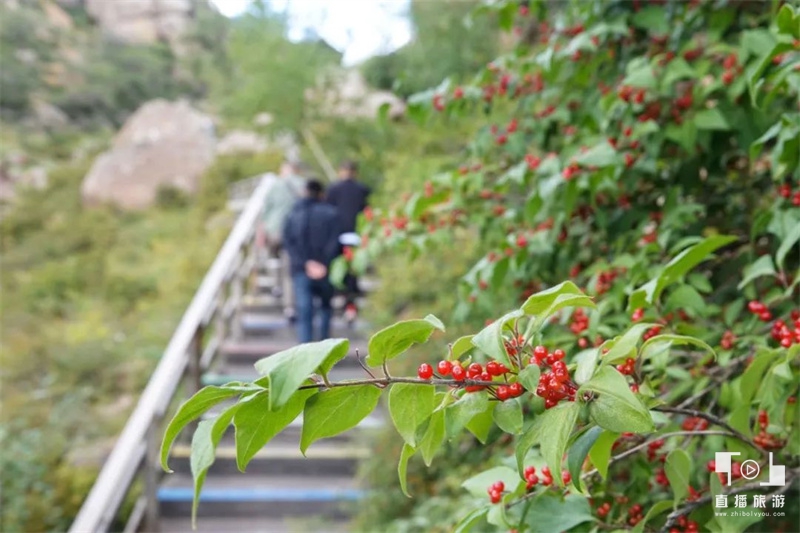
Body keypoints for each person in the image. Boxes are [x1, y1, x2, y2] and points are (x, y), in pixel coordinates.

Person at [282, 179, 343, 343]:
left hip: (301, 270)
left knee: (304, 310)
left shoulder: (294, 214)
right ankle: (325, 349)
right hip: (326, 269)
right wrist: (323, 263)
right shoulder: (332, 213)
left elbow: (289, 243)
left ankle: (306, 350)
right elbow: (336, 241)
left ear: (305, 191)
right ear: (321, 193)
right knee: (325, 308)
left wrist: (306, 263)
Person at [325, 160, 370, 322]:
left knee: (339, 268)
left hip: (338, 235)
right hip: (356, 235)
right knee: (353, 271)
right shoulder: (362, 190)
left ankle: (341, 297)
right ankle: (350, 304)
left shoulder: (333, 189)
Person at [261, 159, 306, 321]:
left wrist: (263, 231)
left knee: (274, 259)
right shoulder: (304, 184)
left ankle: (275, 285)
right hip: (295, 233)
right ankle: (290, 307)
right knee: (289, 269)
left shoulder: (275, 185)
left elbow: (266, 210)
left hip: (275, 230)